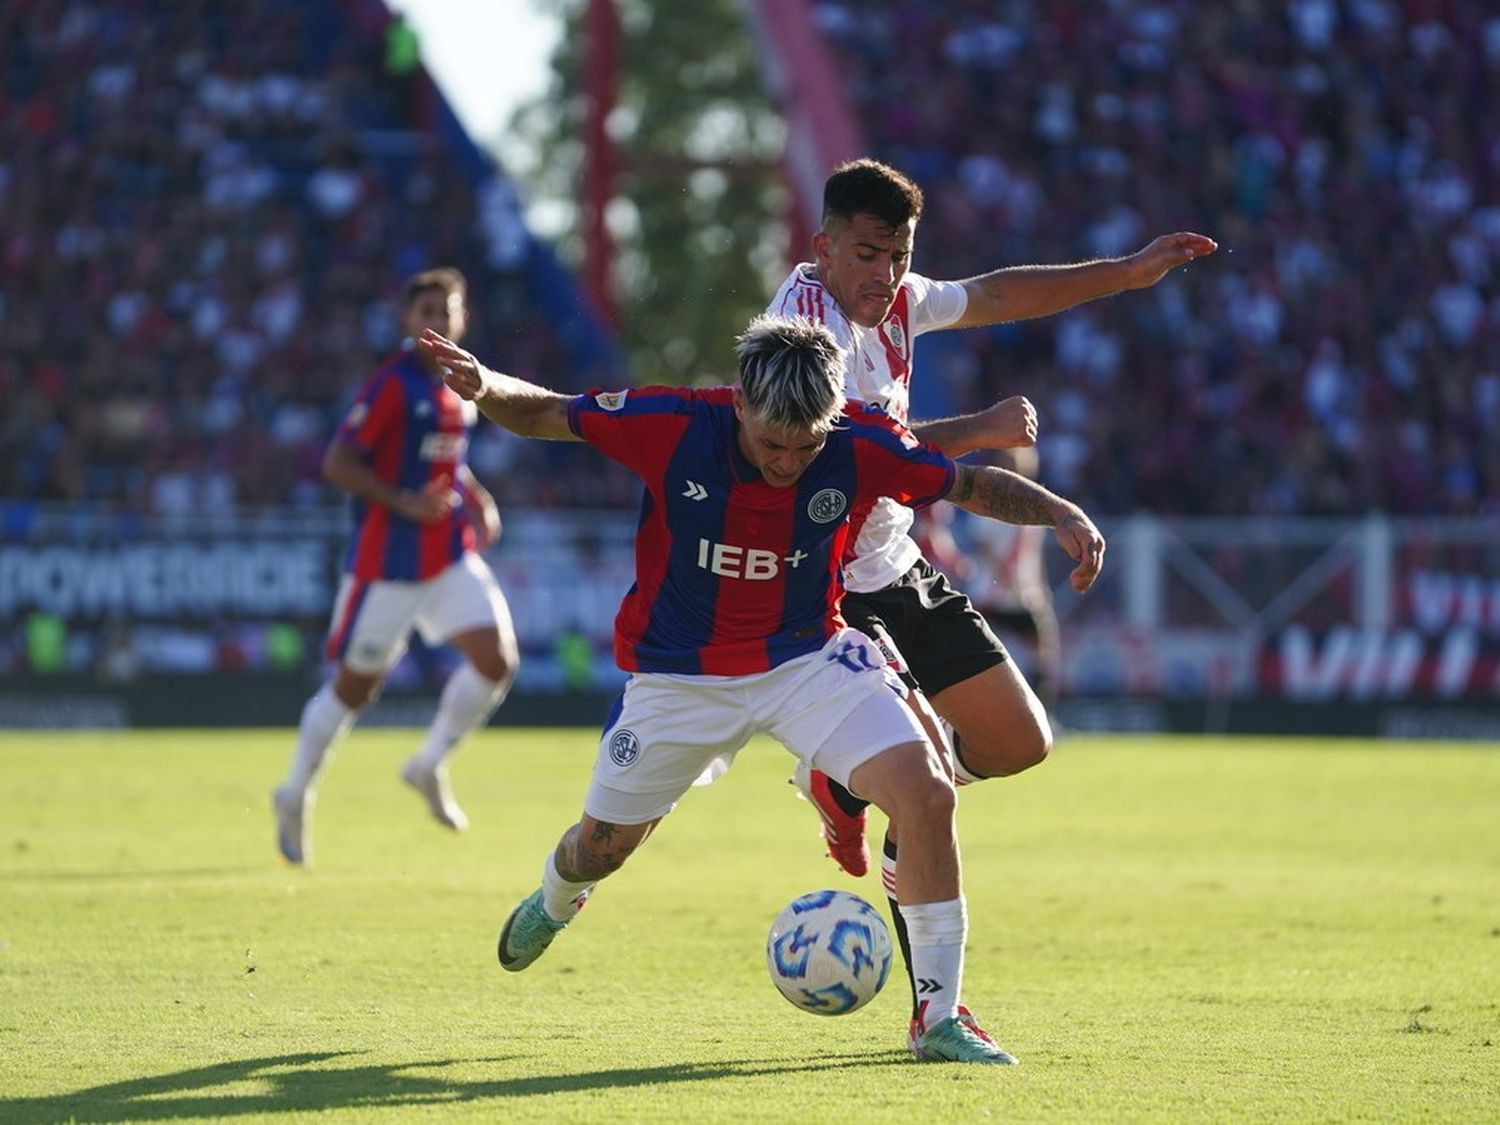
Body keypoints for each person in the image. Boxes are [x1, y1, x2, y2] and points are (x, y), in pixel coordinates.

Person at [419, 315, 1106, 1064]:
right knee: (601, 847)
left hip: (807, 660)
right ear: (741, 404)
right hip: (680, 678)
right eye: (773, 443)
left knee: (929, 792)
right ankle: (556, 899)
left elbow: (970, 483)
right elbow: (548, 411)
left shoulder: (859, 443)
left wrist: (1061, 512)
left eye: (806, 445)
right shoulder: (673, 421)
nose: (788, 461)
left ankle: (938, 1017)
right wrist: (486, 385)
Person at [766, 158, 1216, 1026]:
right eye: (865, 253)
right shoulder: (799, 332)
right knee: (927, 780)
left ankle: (847, 789)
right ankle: (939, 1009)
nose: (885, 274)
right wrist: (985, 431)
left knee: (1019, 740)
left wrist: (1124, 272)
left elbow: (998, 293)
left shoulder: (894, 298)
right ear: (822, 246)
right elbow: (858, 456)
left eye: (898, 255)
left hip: (892, 562)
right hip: (819, 582)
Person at [272, 268, 519, 865]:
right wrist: (405, 501)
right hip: (388, 563)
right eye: (426, 310)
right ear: (409, 322)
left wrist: (476, 496)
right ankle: (294, 792)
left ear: (462, 319)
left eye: (448, 309)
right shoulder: (391, 385)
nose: (437, 319)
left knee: (497, 661)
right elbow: (338, 463)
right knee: (356, 689)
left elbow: (447, 462)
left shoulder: (464, 387)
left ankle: (428, 764)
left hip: (448, 553)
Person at [965, 447, 1061, 719]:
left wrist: (1040, 586)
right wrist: (1002, 572)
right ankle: (973, 715)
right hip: (991, 592)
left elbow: (1033, 553)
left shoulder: (1035, 506)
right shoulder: (989, 500)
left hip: (1024, 594)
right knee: (975, 652)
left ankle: (1044, 714)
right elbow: (980, 542)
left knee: (1043, 651)